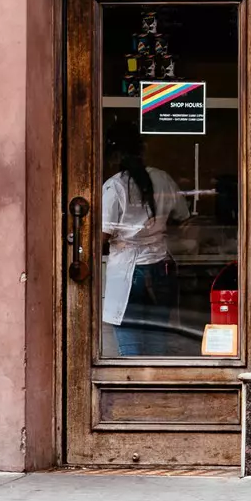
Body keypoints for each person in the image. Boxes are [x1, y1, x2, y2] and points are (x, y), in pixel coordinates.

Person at [102, 139, 191, 358]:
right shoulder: (163, 178)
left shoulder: (115, 186)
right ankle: (158, 379)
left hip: (127, 272)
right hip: (161, 267)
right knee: (157, 343)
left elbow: (103, 233)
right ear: (143, 151)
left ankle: (133, 380)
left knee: (130, 347)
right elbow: (183, 217)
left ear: (115, 157)